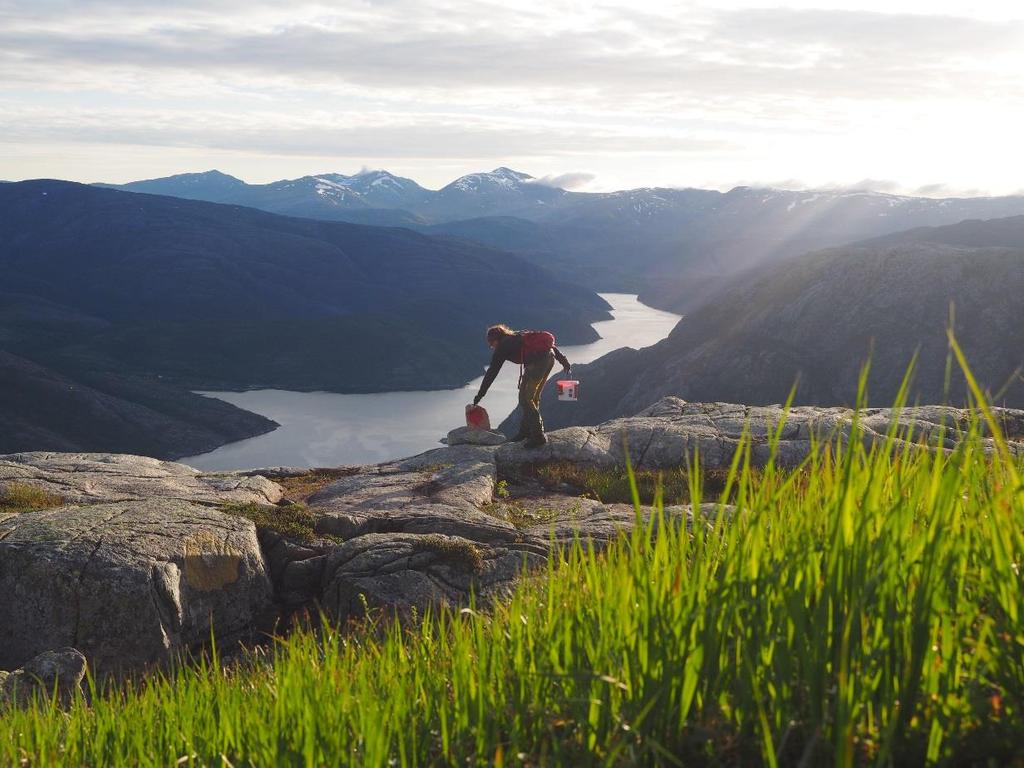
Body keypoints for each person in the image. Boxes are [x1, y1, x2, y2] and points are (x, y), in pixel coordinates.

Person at [473, 324, 571, 448]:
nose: (491, 347)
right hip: (548, 359)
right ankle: (525, 432)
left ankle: (538, 436)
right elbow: (549, 345)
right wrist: (563, 361)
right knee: (529, 398)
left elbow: (492, 372)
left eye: (491, 344)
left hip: (538, 364)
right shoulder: (517, 335)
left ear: (495, 340)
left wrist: (480, 394)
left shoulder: (503, 346)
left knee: (526, 399)